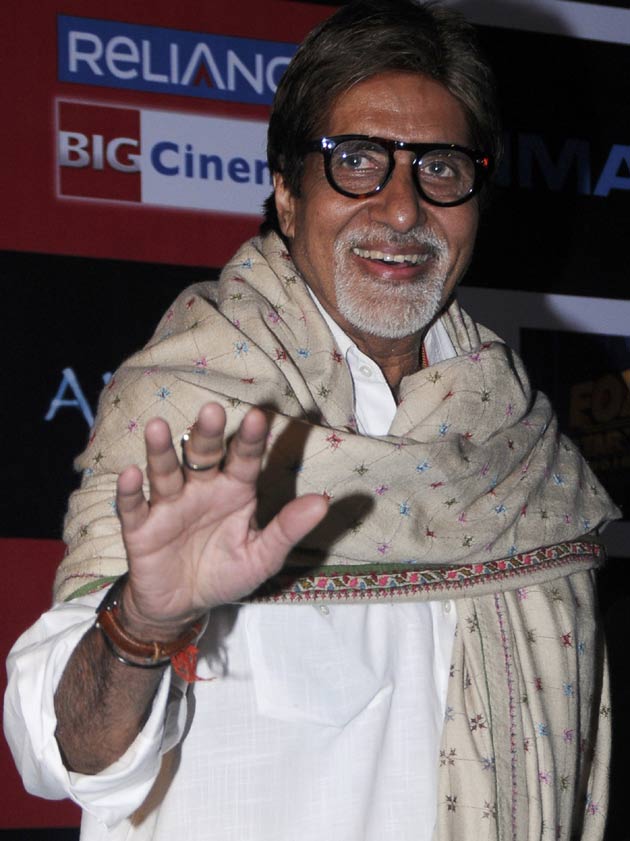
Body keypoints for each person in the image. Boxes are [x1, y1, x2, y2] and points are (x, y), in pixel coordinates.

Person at [5, 1, 619, 840]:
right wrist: (143, 624)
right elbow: (54, 750)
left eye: (440, 168)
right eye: (356, 161)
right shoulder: (193, 409)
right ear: (288, 194)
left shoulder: (518, 445)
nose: (401, 209)